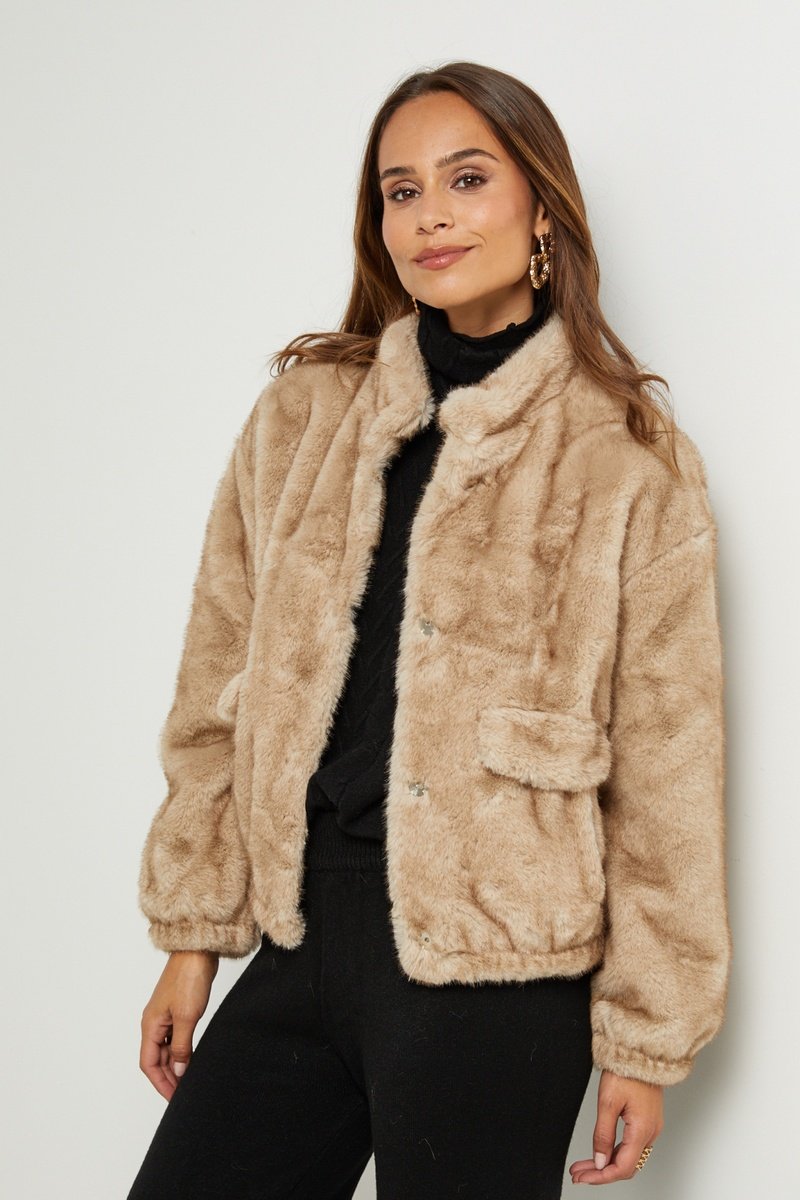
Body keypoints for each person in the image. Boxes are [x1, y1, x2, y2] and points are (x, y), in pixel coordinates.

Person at [127, 60, 732, 1199]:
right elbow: (216, 689)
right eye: (400, 191)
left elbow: (668, 770)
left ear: (541, 207)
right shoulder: (304, 416)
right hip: (301, 937)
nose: (430, 216)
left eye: (466, 178)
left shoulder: (626, 457)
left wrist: (646, 1041)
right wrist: (191, 937)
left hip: (500, 978)